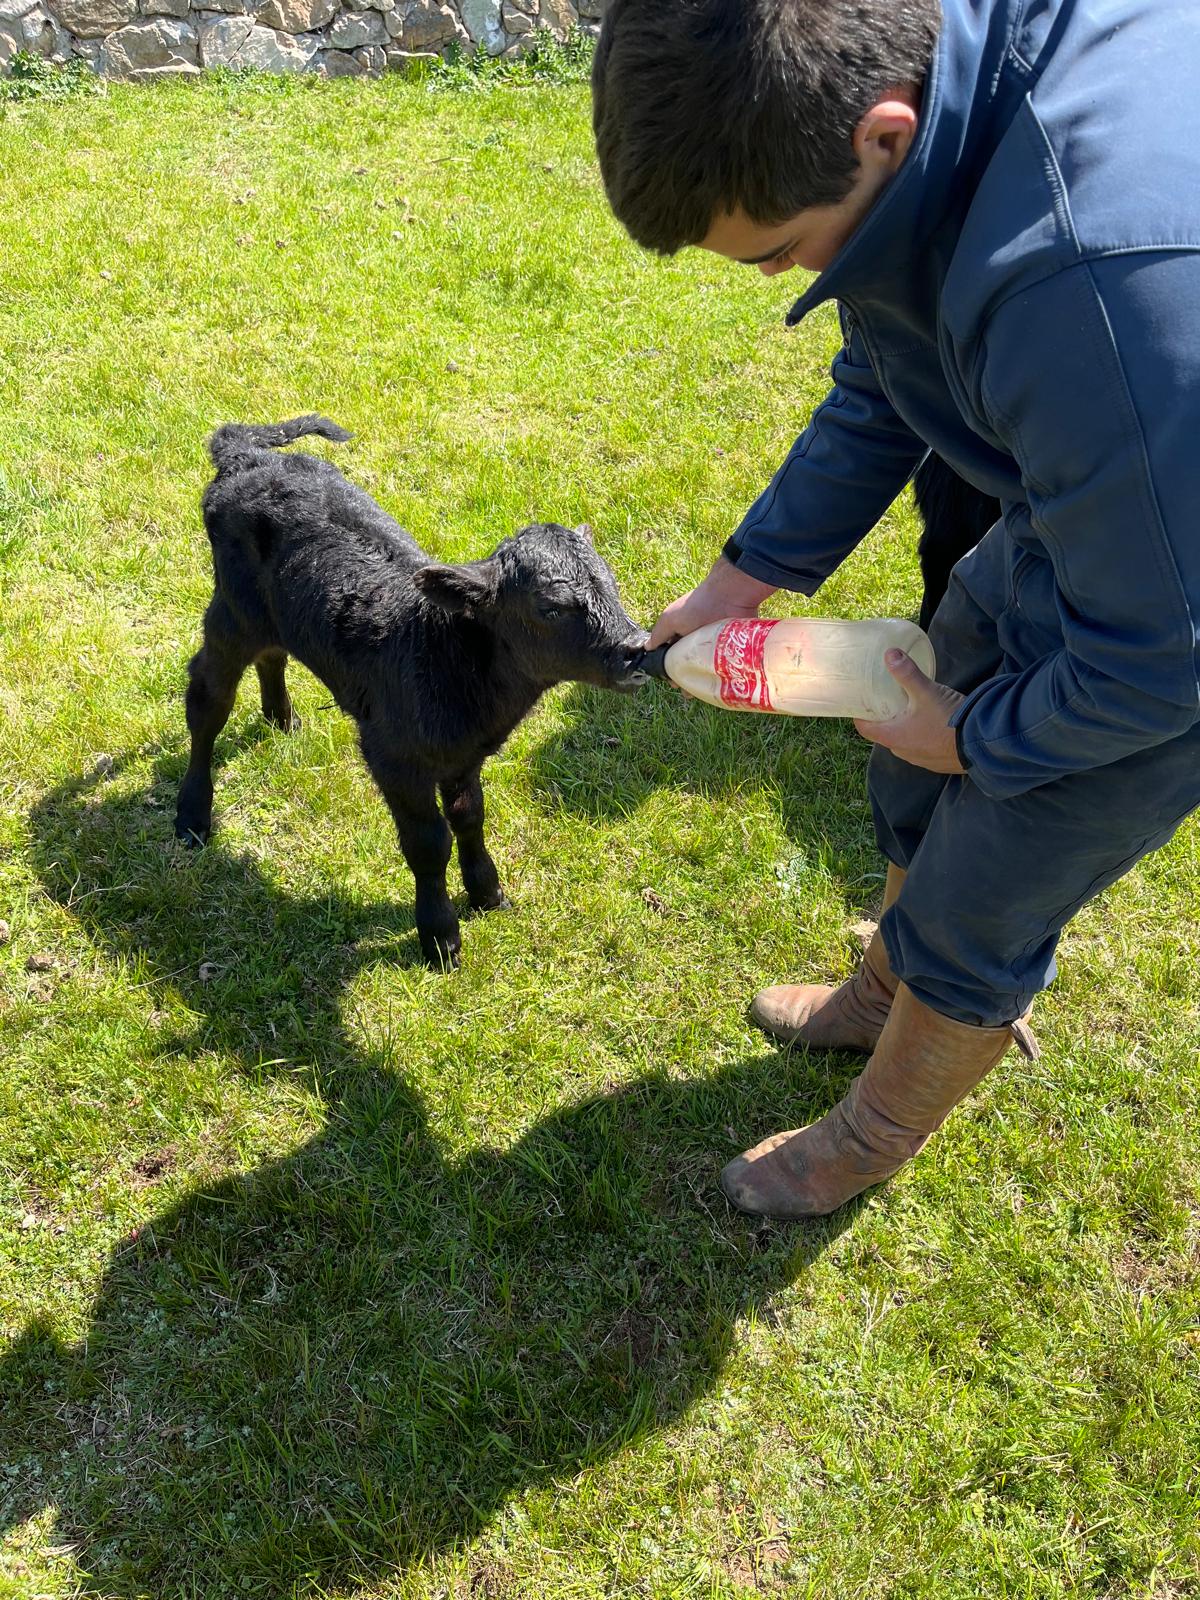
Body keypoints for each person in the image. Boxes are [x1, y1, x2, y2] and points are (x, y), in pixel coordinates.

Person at [591, 0, 1200, 1219]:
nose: (784, 275)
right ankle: (884, 987)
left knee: (992, 873)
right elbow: (889, 361)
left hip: (1177, 614)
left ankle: (871, 1131)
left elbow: (1163, 664)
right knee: (909, 755)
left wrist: (975, 736)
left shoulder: (1095, 295)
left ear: (879, 136)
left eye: (777, 253)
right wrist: (744, 574)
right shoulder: (931, 101)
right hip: (1108, 489)